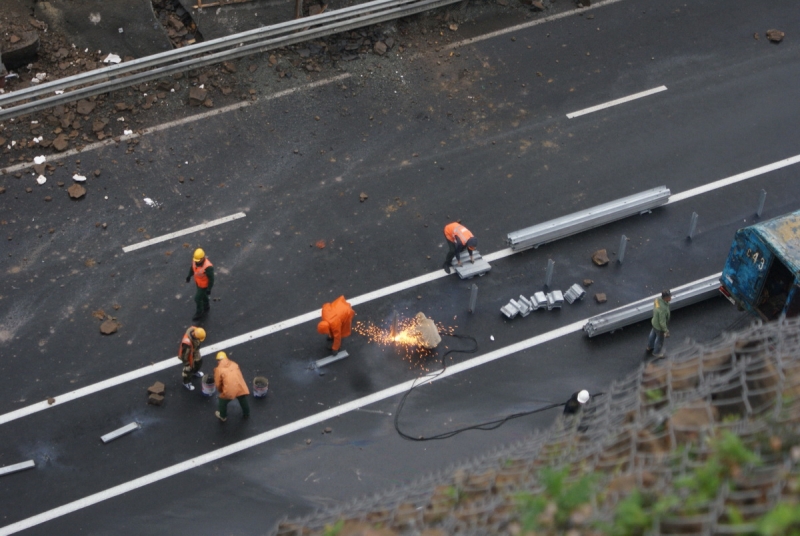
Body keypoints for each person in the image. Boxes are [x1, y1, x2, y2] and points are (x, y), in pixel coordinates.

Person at [213, 352, 250, 422]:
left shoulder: (218, 370)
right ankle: (246, 413)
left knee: (222, 401)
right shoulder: (234, 364)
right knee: (242, 398)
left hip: (229, 389)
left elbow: (218, 384)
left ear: (218, 360)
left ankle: (223, 416)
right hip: (240, 385)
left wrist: (221, 391)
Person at [186, 248, 214, 321]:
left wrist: (209, 289)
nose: (196, 262)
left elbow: (211, 279)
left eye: (198, 260)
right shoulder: (195, 261)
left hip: (204, 285)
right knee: (203, 295)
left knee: (197, 299)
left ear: (202, 258)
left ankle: (199, 312)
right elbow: (192, 268)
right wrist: (189, 276)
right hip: (198, 283)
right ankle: (206, 305)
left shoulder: (208, 267)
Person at [178, 326, 206, 391]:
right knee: (188, 370)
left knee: (198, 362)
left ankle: (195, 371)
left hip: (194, 350)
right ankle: (186, 382)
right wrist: (187, 363)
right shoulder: (187, 343)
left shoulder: (195, 330)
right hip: (188, 355)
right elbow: (184, 355)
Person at [647, 289, 672, 358]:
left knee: (652, 334)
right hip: (659, 327)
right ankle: (656, 352)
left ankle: (649, 346)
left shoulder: (657, 300)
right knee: (660, 340)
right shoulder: (663, 309)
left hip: (654, 322)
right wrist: (666, 331)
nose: (671, 298)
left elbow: (656, 307)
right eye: (669, 296)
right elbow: (662, 322)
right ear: (665, 298)